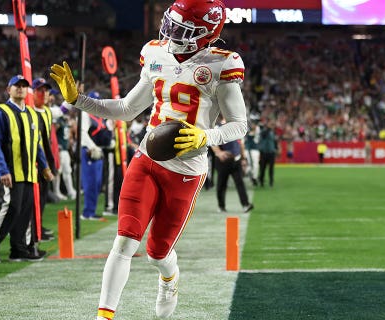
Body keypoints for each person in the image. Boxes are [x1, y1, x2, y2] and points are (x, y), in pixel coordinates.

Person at [50, 0, 247, 318]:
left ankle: (170, 277)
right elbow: (127, 109)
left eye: (183, 27)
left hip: (186, 169)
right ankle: (104, 315)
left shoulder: (221, 63)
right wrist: (78, 100)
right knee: (125, 241)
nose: (171, 31)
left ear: (206, 33)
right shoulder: (156, 52)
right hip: (146, 159)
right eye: (172, 22)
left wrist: (205, 137)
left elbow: (240, 124)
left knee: (157, 253)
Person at [0, 75, 54, 263]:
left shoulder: (31, 113)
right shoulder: (1, 112)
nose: (20, 89)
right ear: (9, 89)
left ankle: (18, 249)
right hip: (11, 171)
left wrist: (44, 166)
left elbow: (36, 144)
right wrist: (2, 170)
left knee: (25, 211)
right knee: (11, 207)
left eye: (23, 86)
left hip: (30, 171)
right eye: (16, 86)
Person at [31, 77, 57, 242]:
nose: (45, 93)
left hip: (46, 158)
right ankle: (33, 229)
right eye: (40, 90)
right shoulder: (28, 111)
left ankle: (38, 226)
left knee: (42, 197)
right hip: (33, 160)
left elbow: (62, 110)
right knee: (33, 198)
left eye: (46, 90)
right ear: (32, 93)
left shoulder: (47, 111)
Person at [78, 91, 111, 221]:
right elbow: (82, 133)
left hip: (98, 152)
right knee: (90, 183)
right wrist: (93, 147)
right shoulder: (85, 114)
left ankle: (91, 210)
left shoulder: (99, 117)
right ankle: (87, 212)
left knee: (97, 183)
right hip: (89, 152)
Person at [211, 135, 253, 213]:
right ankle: (221, 206)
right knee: (221, 184)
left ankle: (245, 205)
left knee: (240, 183)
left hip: (236, 160)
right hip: (223, 161)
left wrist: (243, 158)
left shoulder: (239, 129)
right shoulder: (219, 127)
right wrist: (219, 152)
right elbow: (212, 142)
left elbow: (241, 144)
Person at [258, 120, 277, 187]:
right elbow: (264, 135)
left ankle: (271, 182)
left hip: (271, 152)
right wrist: (268, 128)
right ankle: (261, 181)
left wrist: (276, 149)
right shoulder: (263, 131)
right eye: (270, 124)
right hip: (264, 152)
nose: (271, 126)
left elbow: (274, 141)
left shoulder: (273, 132)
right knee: (263, 168)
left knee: (271, 168)